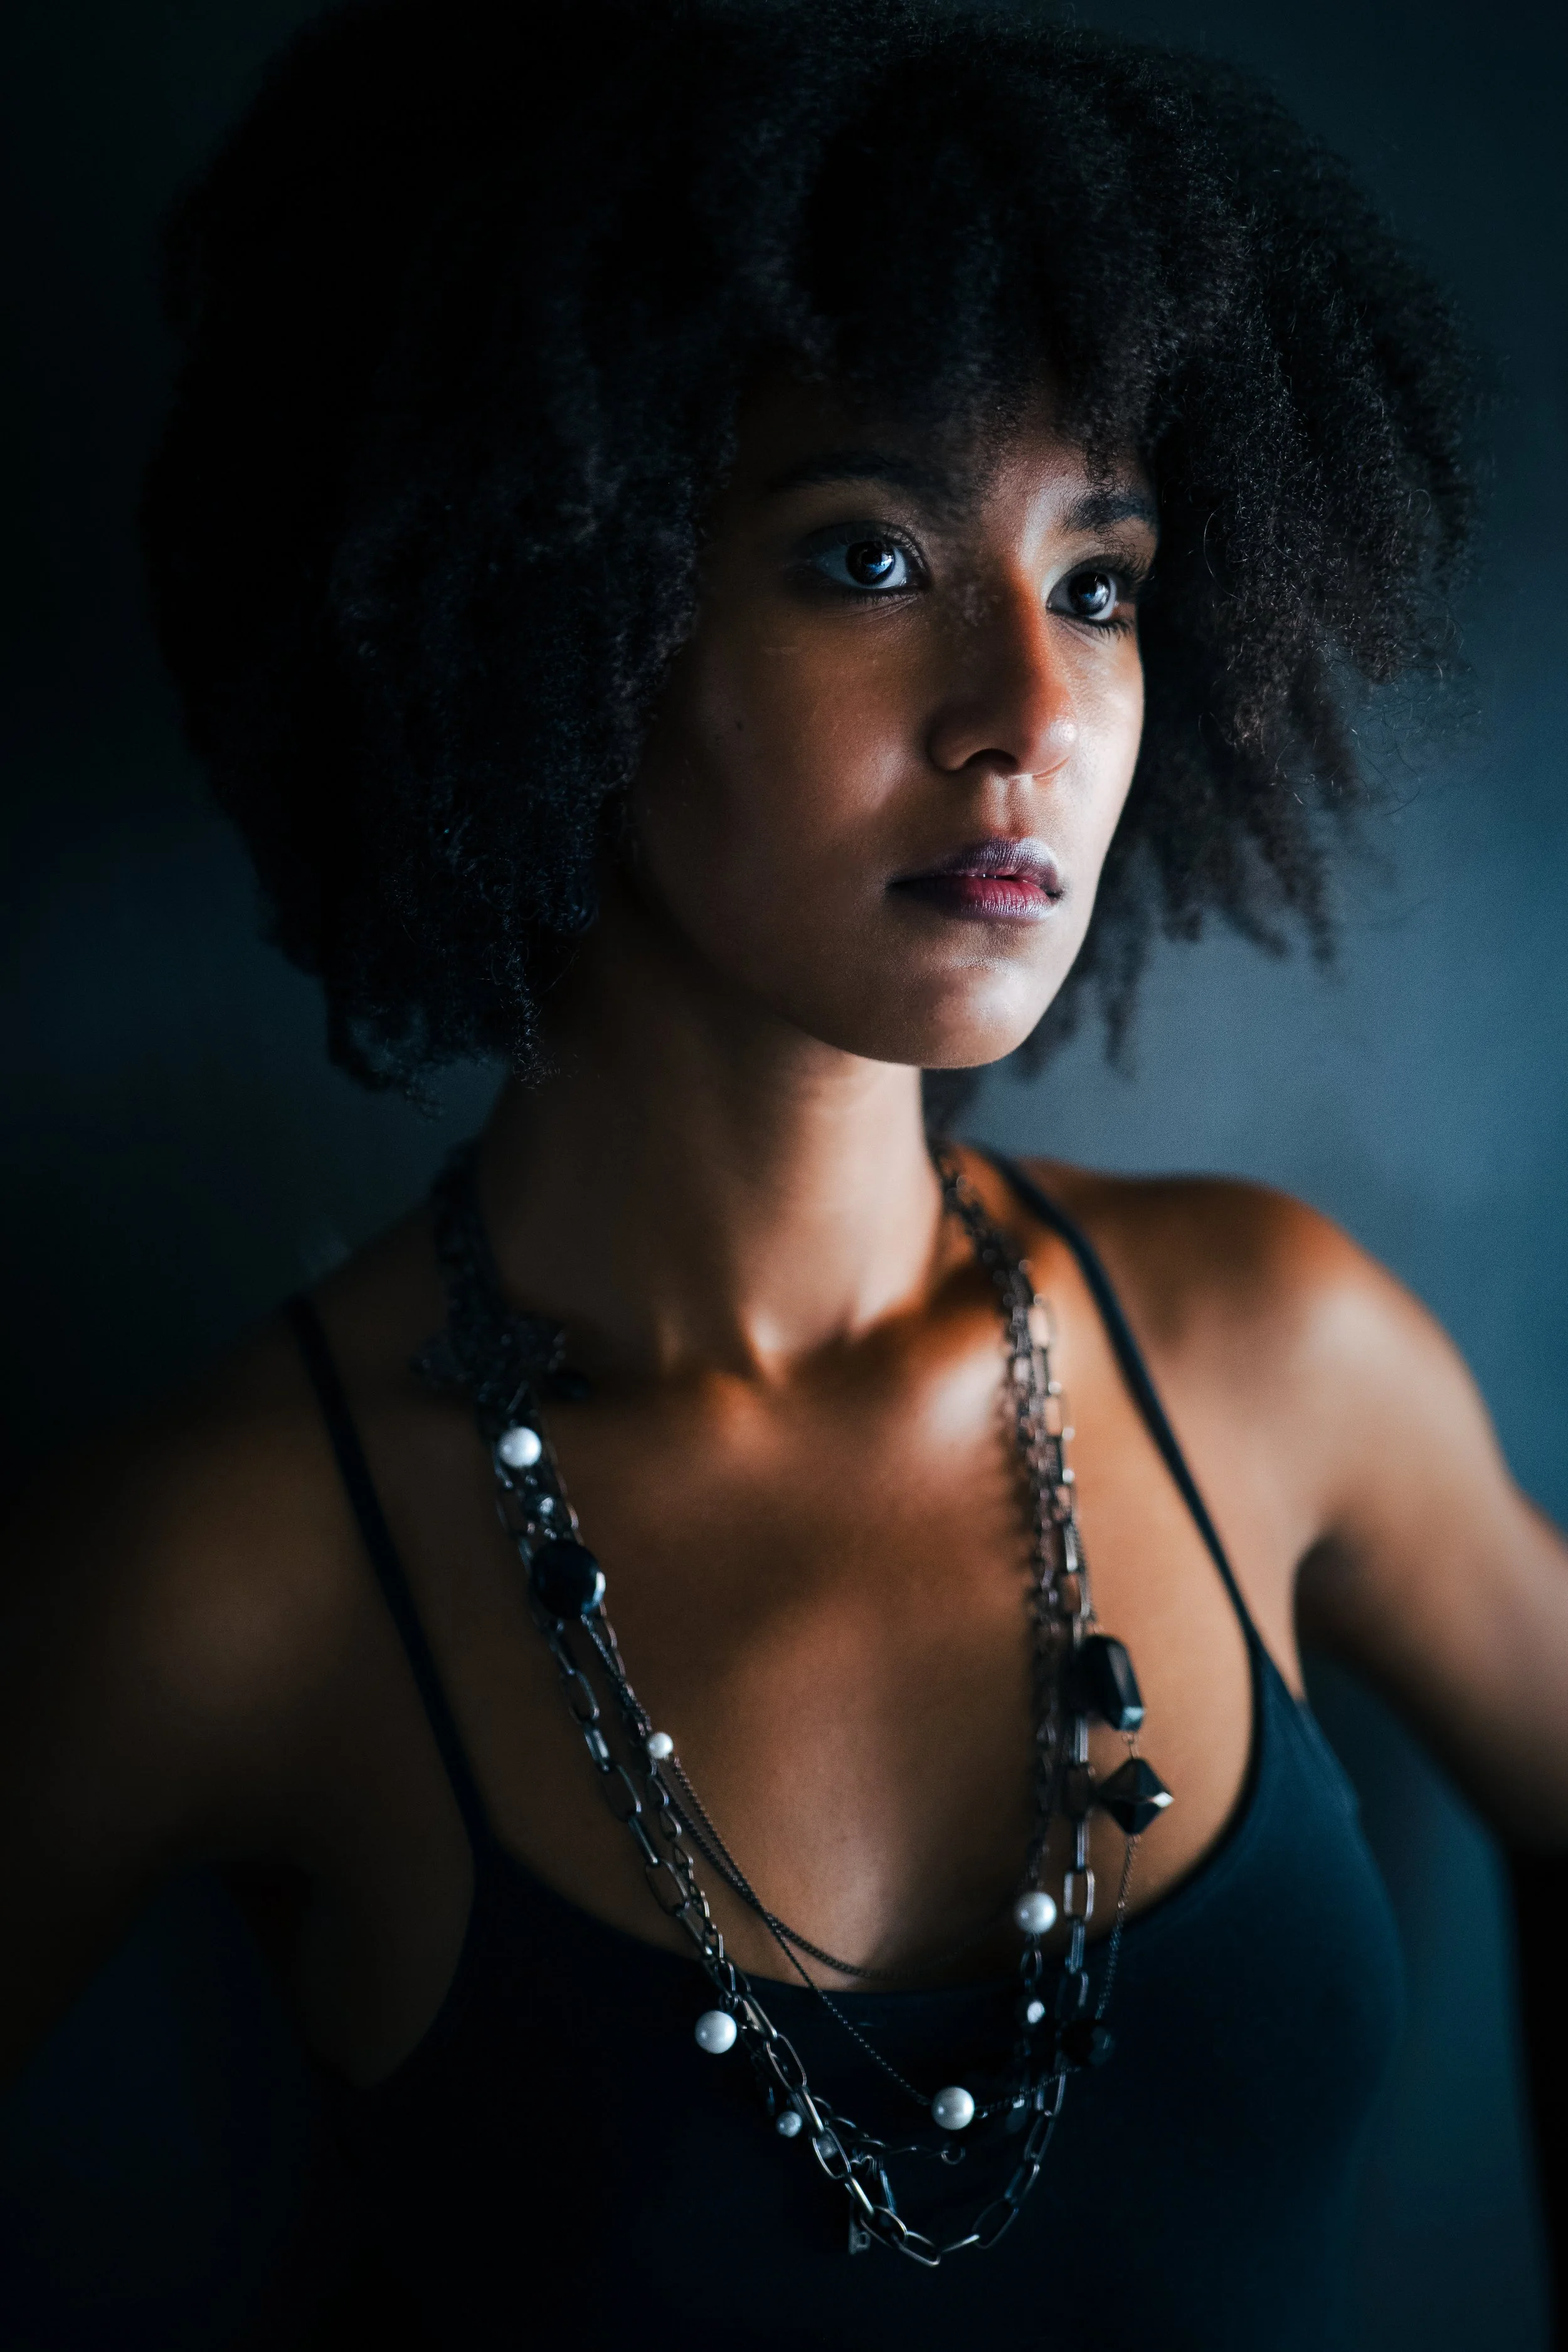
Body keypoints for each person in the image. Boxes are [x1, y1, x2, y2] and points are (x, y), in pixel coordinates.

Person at [3, 0, 1564, 2343]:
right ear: (553, 597)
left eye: (1102, 575)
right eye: (864, 556)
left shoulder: (1274, 1345)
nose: (1031, 710)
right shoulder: (231, 1571)